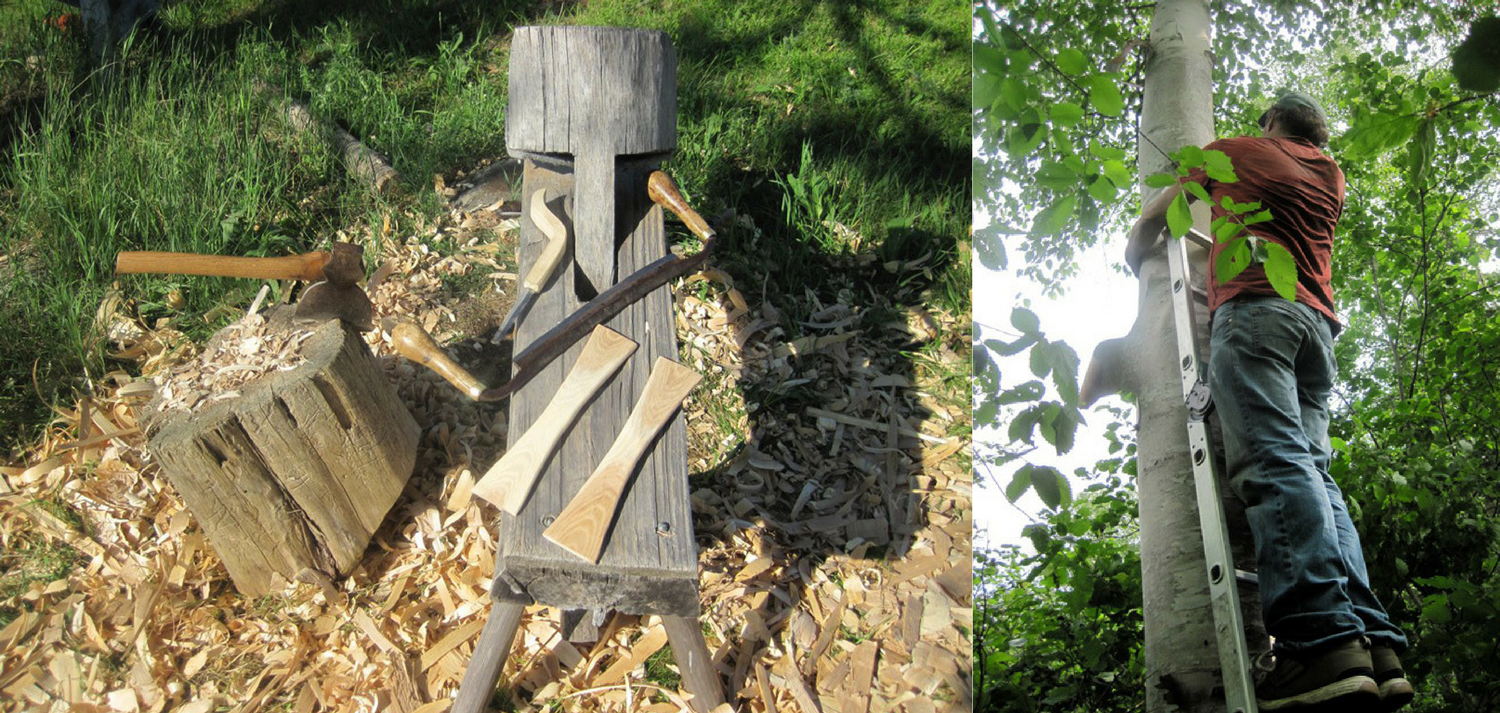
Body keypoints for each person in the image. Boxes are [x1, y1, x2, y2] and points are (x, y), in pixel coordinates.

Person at [1123, 92, 1414, 711]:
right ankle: (1373, 646)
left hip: (1258, 312)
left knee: (1277, 460)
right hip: (1317, 328)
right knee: (1318, 475)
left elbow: (1155, 220)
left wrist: (1132, 253)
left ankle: (1319, 641)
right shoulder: (1330, 175)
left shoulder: (1237, 153)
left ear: (1271, 122)